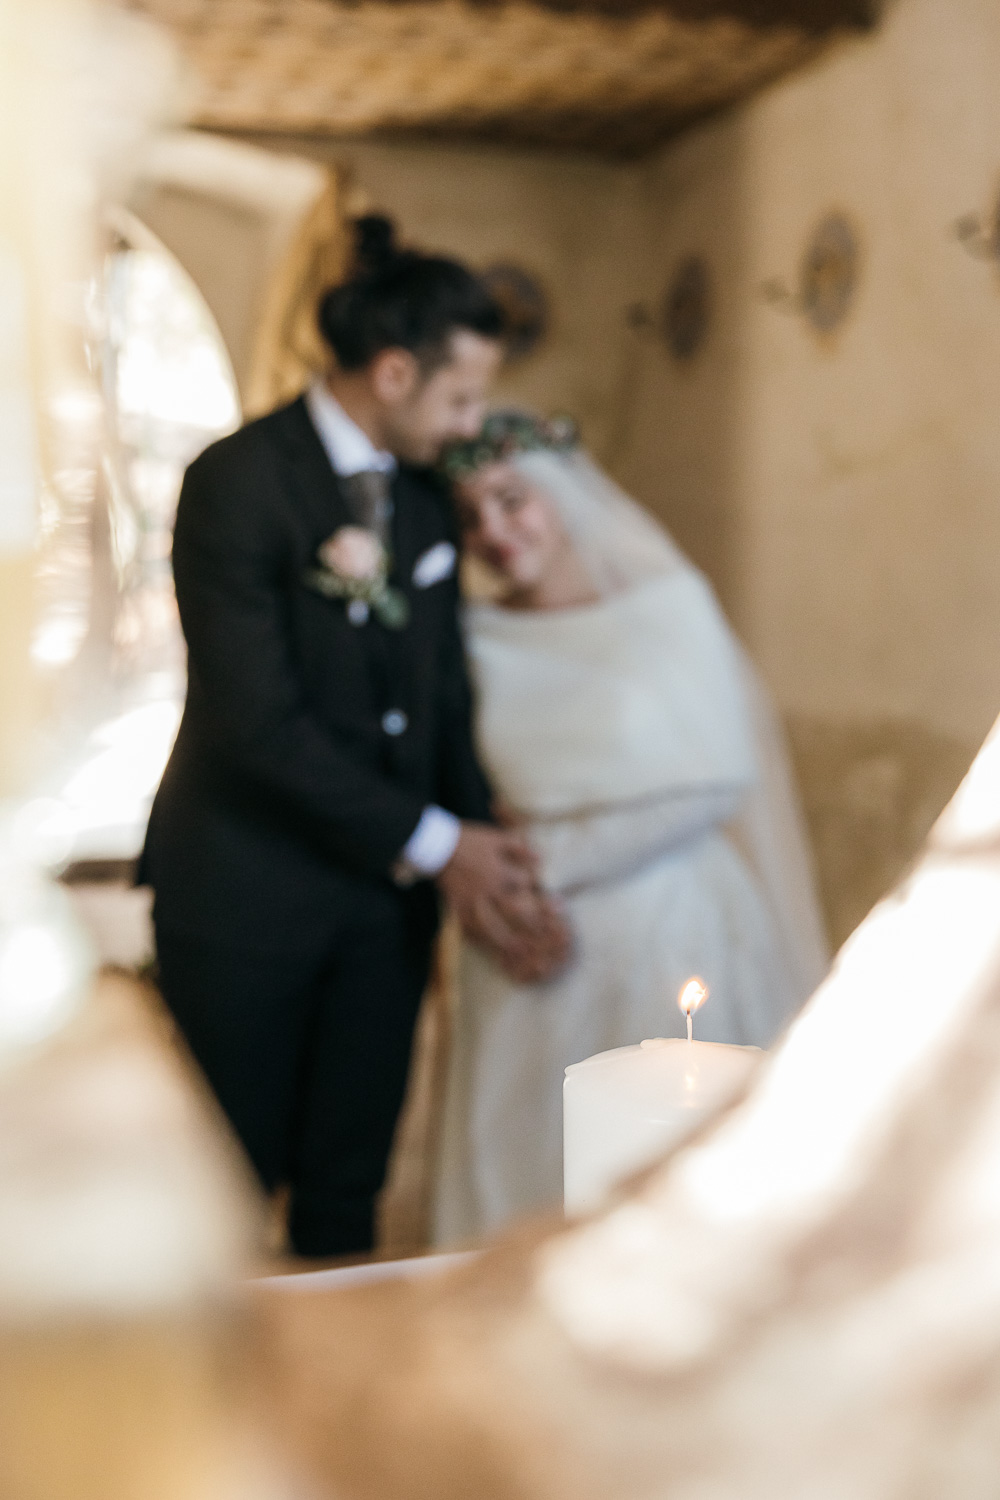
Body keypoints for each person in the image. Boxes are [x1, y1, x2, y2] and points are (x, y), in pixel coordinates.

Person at [140, 222, 568, 1259]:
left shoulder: (423, 500)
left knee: (349, 1188)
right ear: (391, 372)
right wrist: (439, 844)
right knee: (224, 1187)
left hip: (383, 915)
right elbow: (258, 724)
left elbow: (442, 694)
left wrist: (479, 855)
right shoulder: (236, 482)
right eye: (460, 397)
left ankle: (335, 1402)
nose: (468, 422)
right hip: (243, 893)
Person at [433, 412, 829, 1243]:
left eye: (512, 501)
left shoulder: (666, 605)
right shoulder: (472, 636)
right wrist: (491, 885)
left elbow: (715, 778)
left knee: (663, 1169)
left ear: (562, 493)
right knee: (521, 1169)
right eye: (470, 516)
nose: (494, 532)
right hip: (520, 946)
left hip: (663, 928)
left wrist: (539, 868)